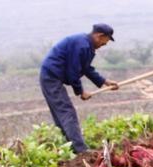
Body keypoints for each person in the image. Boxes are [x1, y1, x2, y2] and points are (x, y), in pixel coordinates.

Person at [40, 24, 119, 153]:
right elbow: (73, 72)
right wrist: (80, 92)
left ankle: (70, 147)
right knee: (66, 111)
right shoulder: (81, 45)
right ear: (99, 36)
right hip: (51, 77)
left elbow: (86, 68)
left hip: (54, 76)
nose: (104, 45)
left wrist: (105, 81)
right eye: (105, 42)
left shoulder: (86, 46)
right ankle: (80, 150)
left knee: (62, 113)